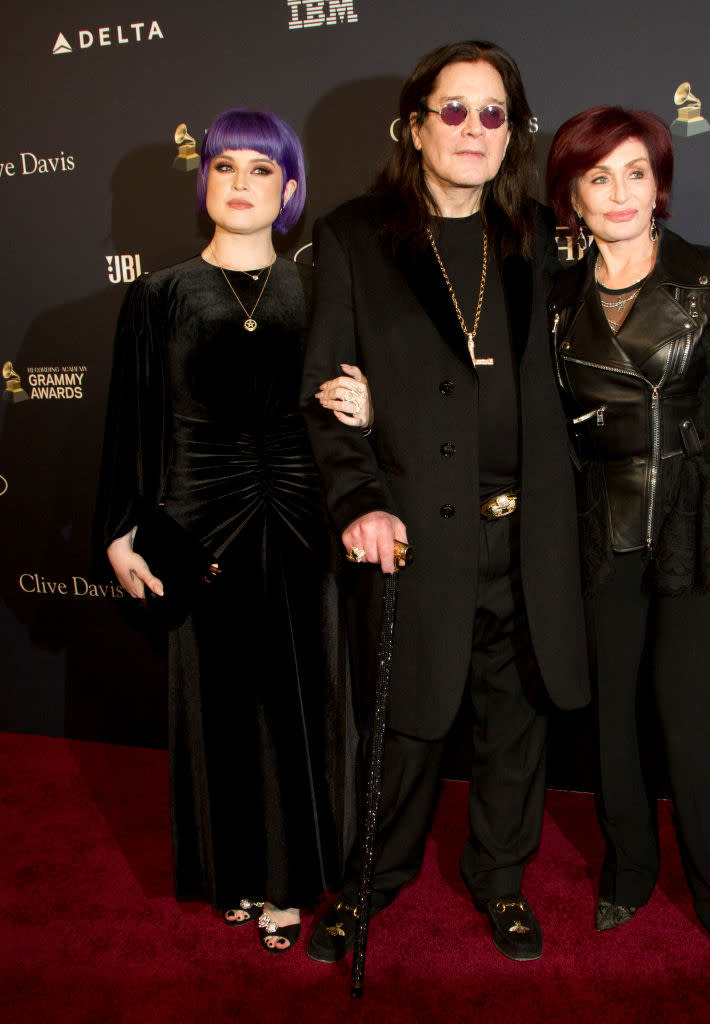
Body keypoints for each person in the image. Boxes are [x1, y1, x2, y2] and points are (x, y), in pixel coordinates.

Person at [301, 40, 589, 963]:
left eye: (494, 112)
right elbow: (325, 393)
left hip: (530, 530)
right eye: (453, 109)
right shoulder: (354, 236)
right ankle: (368, 883)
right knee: (403, 719)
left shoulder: (542, 237)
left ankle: (499, 877)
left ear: (515, 132)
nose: (473, 128)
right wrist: (358, 500)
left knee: (516, 723)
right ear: (414, 125)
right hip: (415, 530)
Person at [545, 106, 710, 972]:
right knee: (613, 724)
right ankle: (625, 868)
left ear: (659, 183)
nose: (619, 194)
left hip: (694, 520)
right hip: (600, 527)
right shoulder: (550, 298)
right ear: (571, 198)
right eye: (597, 177)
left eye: (634, 172)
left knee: (692, 725)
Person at [98, 109, 362, 954]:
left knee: (299, 700)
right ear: (204, 181)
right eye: (224, 167)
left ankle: (290, 883)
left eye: (260, 169)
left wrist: (370, 408)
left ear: (289, 190)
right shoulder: (160, 294)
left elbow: (360, 399)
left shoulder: (319, 288)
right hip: (197, 521)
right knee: (218, 706)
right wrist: (118, 533)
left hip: (300, 518)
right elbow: (129, 423)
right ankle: (235, 873)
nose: (240, 183)